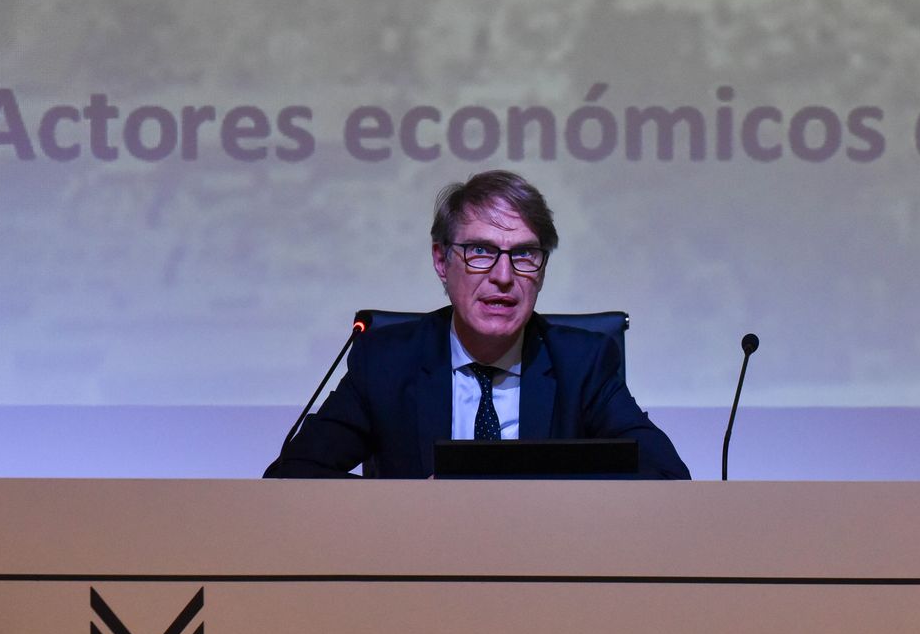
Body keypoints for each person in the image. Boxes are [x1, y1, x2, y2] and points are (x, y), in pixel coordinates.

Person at [265, 170, 690, 479]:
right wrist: (408, 508)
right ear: (441, 261)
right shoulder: (386, 361)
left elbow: (666, 475)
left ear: (541, 270)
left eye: (524, 254)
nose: (504, 276)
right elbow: (293, 474)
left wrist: (547, 504)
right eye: (481, 252)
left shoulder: (583, 362)